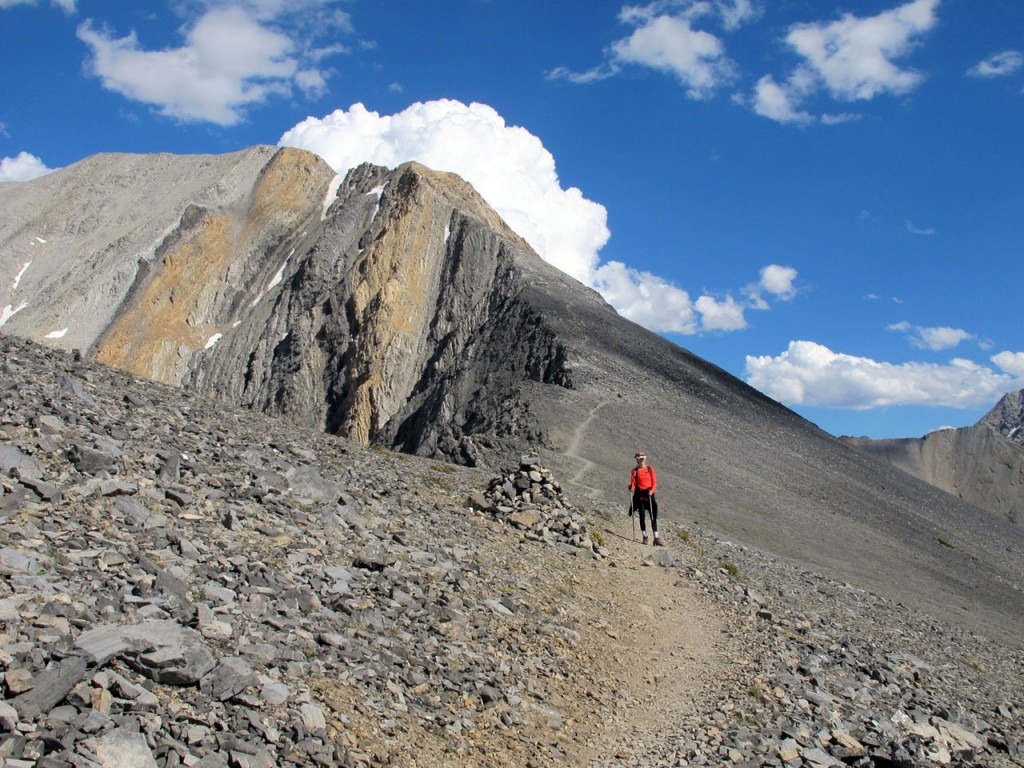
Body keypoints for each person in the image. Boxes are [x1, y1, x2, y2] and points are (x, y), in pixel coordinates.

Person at [629, 451, 660, 545]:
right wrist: (632, 488)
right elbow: (633, 483)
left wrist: (652, 491)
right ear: (637, 460)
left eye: (642, 459)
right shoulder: (634, 471)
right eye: (639, 459)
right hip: (640, 495)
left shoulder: (650, 469)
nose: (641, 461)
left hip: (649, 494)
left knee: (653, 516)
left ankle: (656, 538)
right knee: (642, 515)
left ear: (645, 459)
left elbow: (654, 482)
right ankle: (645, 536)